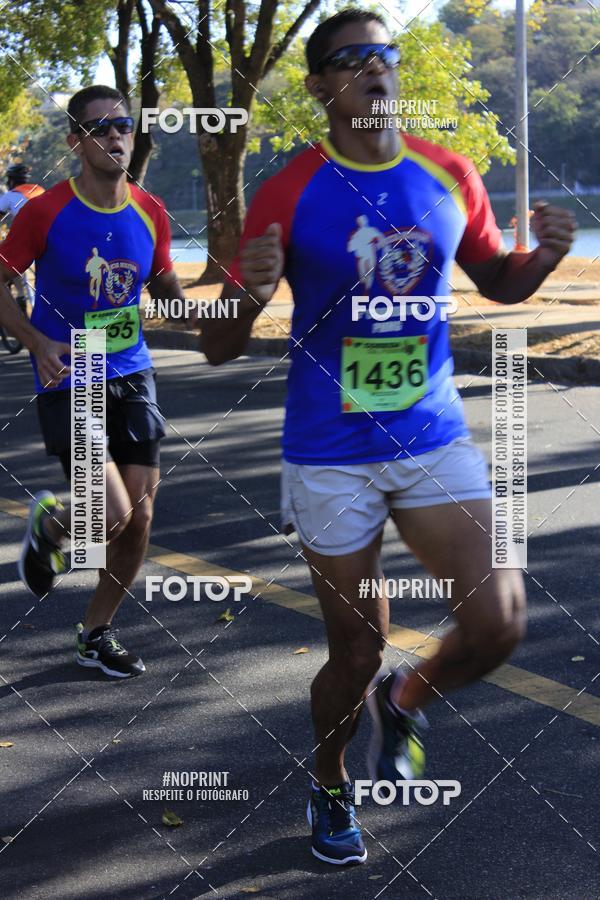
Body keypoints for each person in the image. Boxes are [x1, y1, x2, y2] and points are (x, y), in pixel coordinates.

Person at [201, 8, 576, 865]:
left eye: (386, 54)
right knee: (355, 647)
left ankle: (405, 700)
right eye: (353, 58)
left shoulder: (448, 170)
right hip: (331, 451)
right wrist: (250, 294)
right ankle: (330, 779)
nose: (376, 68)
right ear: (321, 85)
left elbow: (501, 281)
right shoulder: (290, 189)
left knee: (500, 623)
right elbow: (219, 344)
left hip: (431, 433)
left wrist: (545, 259)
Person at [0, 85, 184, 678]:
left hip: (131, 368)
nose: (115, 136)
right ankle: (54, 524)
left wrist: (225, 307)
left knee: (141, 519)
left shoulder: (150, 210)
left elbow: (166, 289)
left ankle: (95, 633)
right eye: (101, 128)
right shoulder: (45, 210)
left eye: (124, 126)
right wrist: (36, 340)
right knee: (109, 513)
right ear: (76, 141)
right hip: (70, 369)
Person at [0, 163, 45, 303]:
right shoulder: (40, 190)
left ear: (11, 180)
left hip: (27, 241)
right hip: (49, 238)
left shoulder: (10, 195)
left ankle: (20, 298)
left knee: (9, 262)